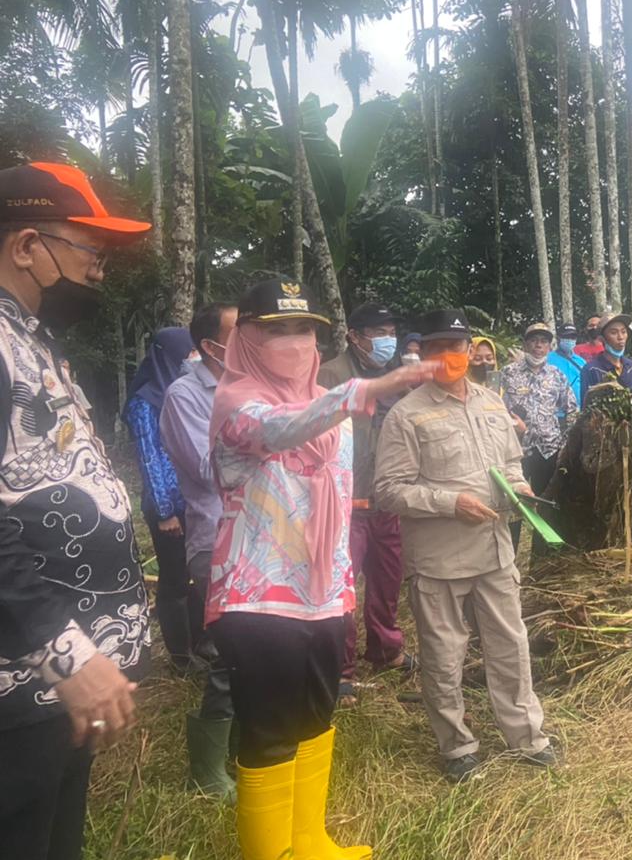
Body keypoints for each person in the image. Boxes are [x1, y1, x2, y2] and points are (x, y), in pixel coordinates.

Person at [207, 279, 427, 860]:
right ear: (245, 339)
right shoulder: (236, 401)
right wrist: (360, 389)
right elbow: (278, 430)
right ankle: (269, 853)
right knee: (269, 734)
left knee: (315, 720)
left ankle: (309, 841)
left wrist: (342, 583)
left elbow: (337, 486)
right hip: (258, 599)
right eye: (276, 328)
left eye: (304, 328)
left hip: (323, 593)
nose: (295, 341)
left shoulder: (333, 410)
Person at [0, 161, 151, 860]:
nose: (99, 271)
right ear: (26, 245)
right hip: (25, 679)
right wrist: (65, 653)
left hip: (56, 685)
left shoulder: (32, 341)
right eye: (88, 251)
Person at [375, 308, 556, 783]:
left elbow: (512, 465)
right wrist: (449, 502)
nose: (449, 356)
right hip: (439, 557)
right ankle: (456, 745)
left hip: (495, 549)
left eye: (456, 347)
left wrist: (520, 488)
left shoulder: (492, 403)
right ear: (422, 353)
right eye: (437, 348)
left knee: (510, 644)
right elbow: (388, 490)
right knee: (443, 652)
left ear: (469, 348)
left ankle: (526, 736)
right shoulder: (406, 414)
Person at [159, 302, 238, 799]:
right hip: (218, 542)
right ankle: (208, 769)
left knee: (262, 649)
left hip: (267, 538)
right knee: (232, 654)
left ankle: (249, 746)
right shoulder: (184, 395)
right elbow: (214, 471)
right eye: (240, 332)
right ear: (212, 346)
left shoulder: (255, 386)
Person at [318, 302, 416, 703]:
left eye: (390, 330)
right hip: (345, 503)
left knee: (387, 581)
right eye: (376, 333)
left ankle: (385, 648)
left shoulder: (397, 378)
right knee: (343, 589)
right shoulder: (330, 375)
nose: (385, 339)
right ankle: (340, 669)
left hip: (387, 498)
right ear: (353, 337)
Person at [124, 326, 199, 670]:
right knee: (175, 580)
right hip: (167, 507)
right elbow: (149, 458)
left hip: (195, 502)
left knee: (197, 575)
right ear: (167, 357)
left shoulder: (186, 393)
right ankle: (181, 656)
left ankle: (201, 642)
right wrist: (165, 511)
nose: (193, 360)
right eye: (187, 355)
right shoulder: (145, 401)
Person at [503, 323, 579, 553]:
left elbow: (571, 410)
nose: (539, 345)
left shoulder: (557, 375)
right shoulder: (509, 373)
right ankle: (508, 556)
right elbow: (493, 406)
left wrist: (564, 444)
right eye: (534, 340)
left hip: (548, 449)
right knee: (512, 503)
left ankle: (541, 560)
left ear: (549, 346)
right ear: (526, 344)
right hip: (516, 450)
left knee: (546, 505)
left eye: (544, 341)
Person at [581, 312, 632, 402]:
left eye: (623, 332)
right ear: (602, 338)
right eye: (613, 333)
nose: (620, 337)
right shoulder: (591, 370)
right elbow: (586, 408)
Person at [548, 323, 586, 407]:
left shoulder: (581, 362)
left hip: (577, 411)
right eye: (566, 337)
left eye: (572, 337)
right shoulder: (547, 359)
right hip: (555, 412)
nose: (569, 340)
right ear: (558, 338)